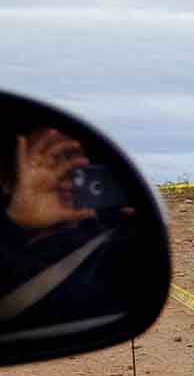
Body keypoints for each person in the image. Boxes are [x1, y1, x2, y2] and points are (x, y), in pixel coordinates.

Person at [0, 122, 140, 340]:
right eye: (44, 162)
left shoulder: (113, 242)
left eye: (75, 167)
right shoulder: (11, 240)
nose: (60, 178)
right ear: (7, 181)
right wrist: (16, 223)